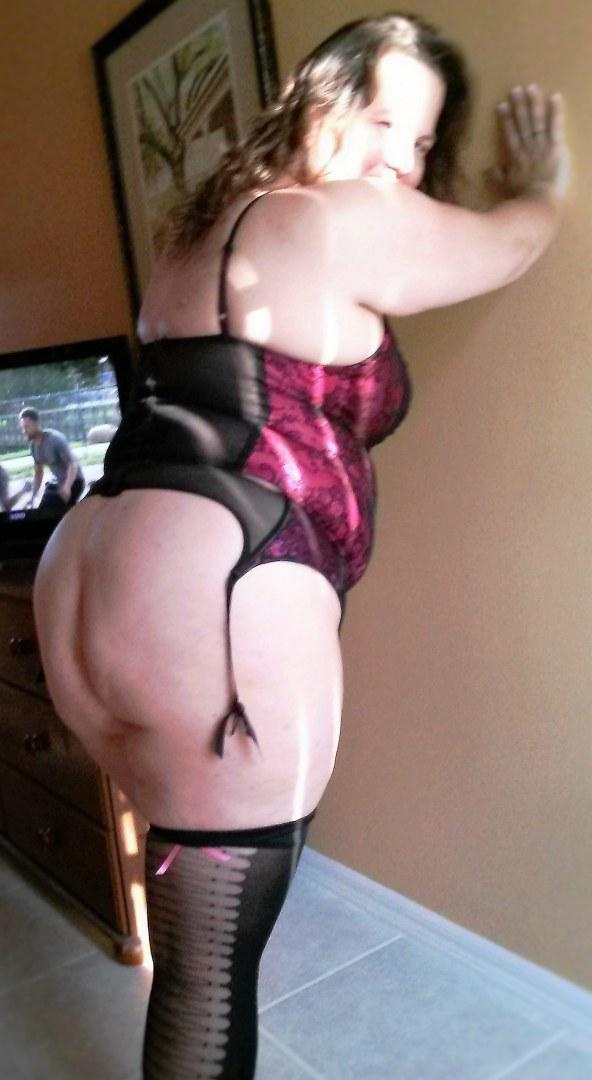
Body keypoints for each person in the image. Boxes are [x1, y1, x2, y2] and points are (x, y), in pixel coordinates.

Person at [31, 12, 570, 1079]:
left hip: (87, 583)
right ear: (321, 104)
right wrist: (542, 189)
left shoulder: (200, 230)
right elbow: (511, 244)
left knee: (192, 947)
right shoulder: (338, 217)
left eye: (422, 144)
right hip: (215, 599)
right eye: (383, 123)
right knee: (207, 978)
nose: (399, 162)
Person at [19, 407, 85, 512]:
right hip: (57, 483)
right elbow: (39, 472)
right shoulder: (33, 446)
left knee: (55, 514)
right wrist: (33, 497)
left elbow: (72, 464)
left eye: (27, 427)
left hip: (74, 481)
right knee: (42, 512)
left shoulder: (55, 439)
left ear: (37, 423)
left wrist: (67, 486)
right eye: (22, 427)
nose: (24, 431)